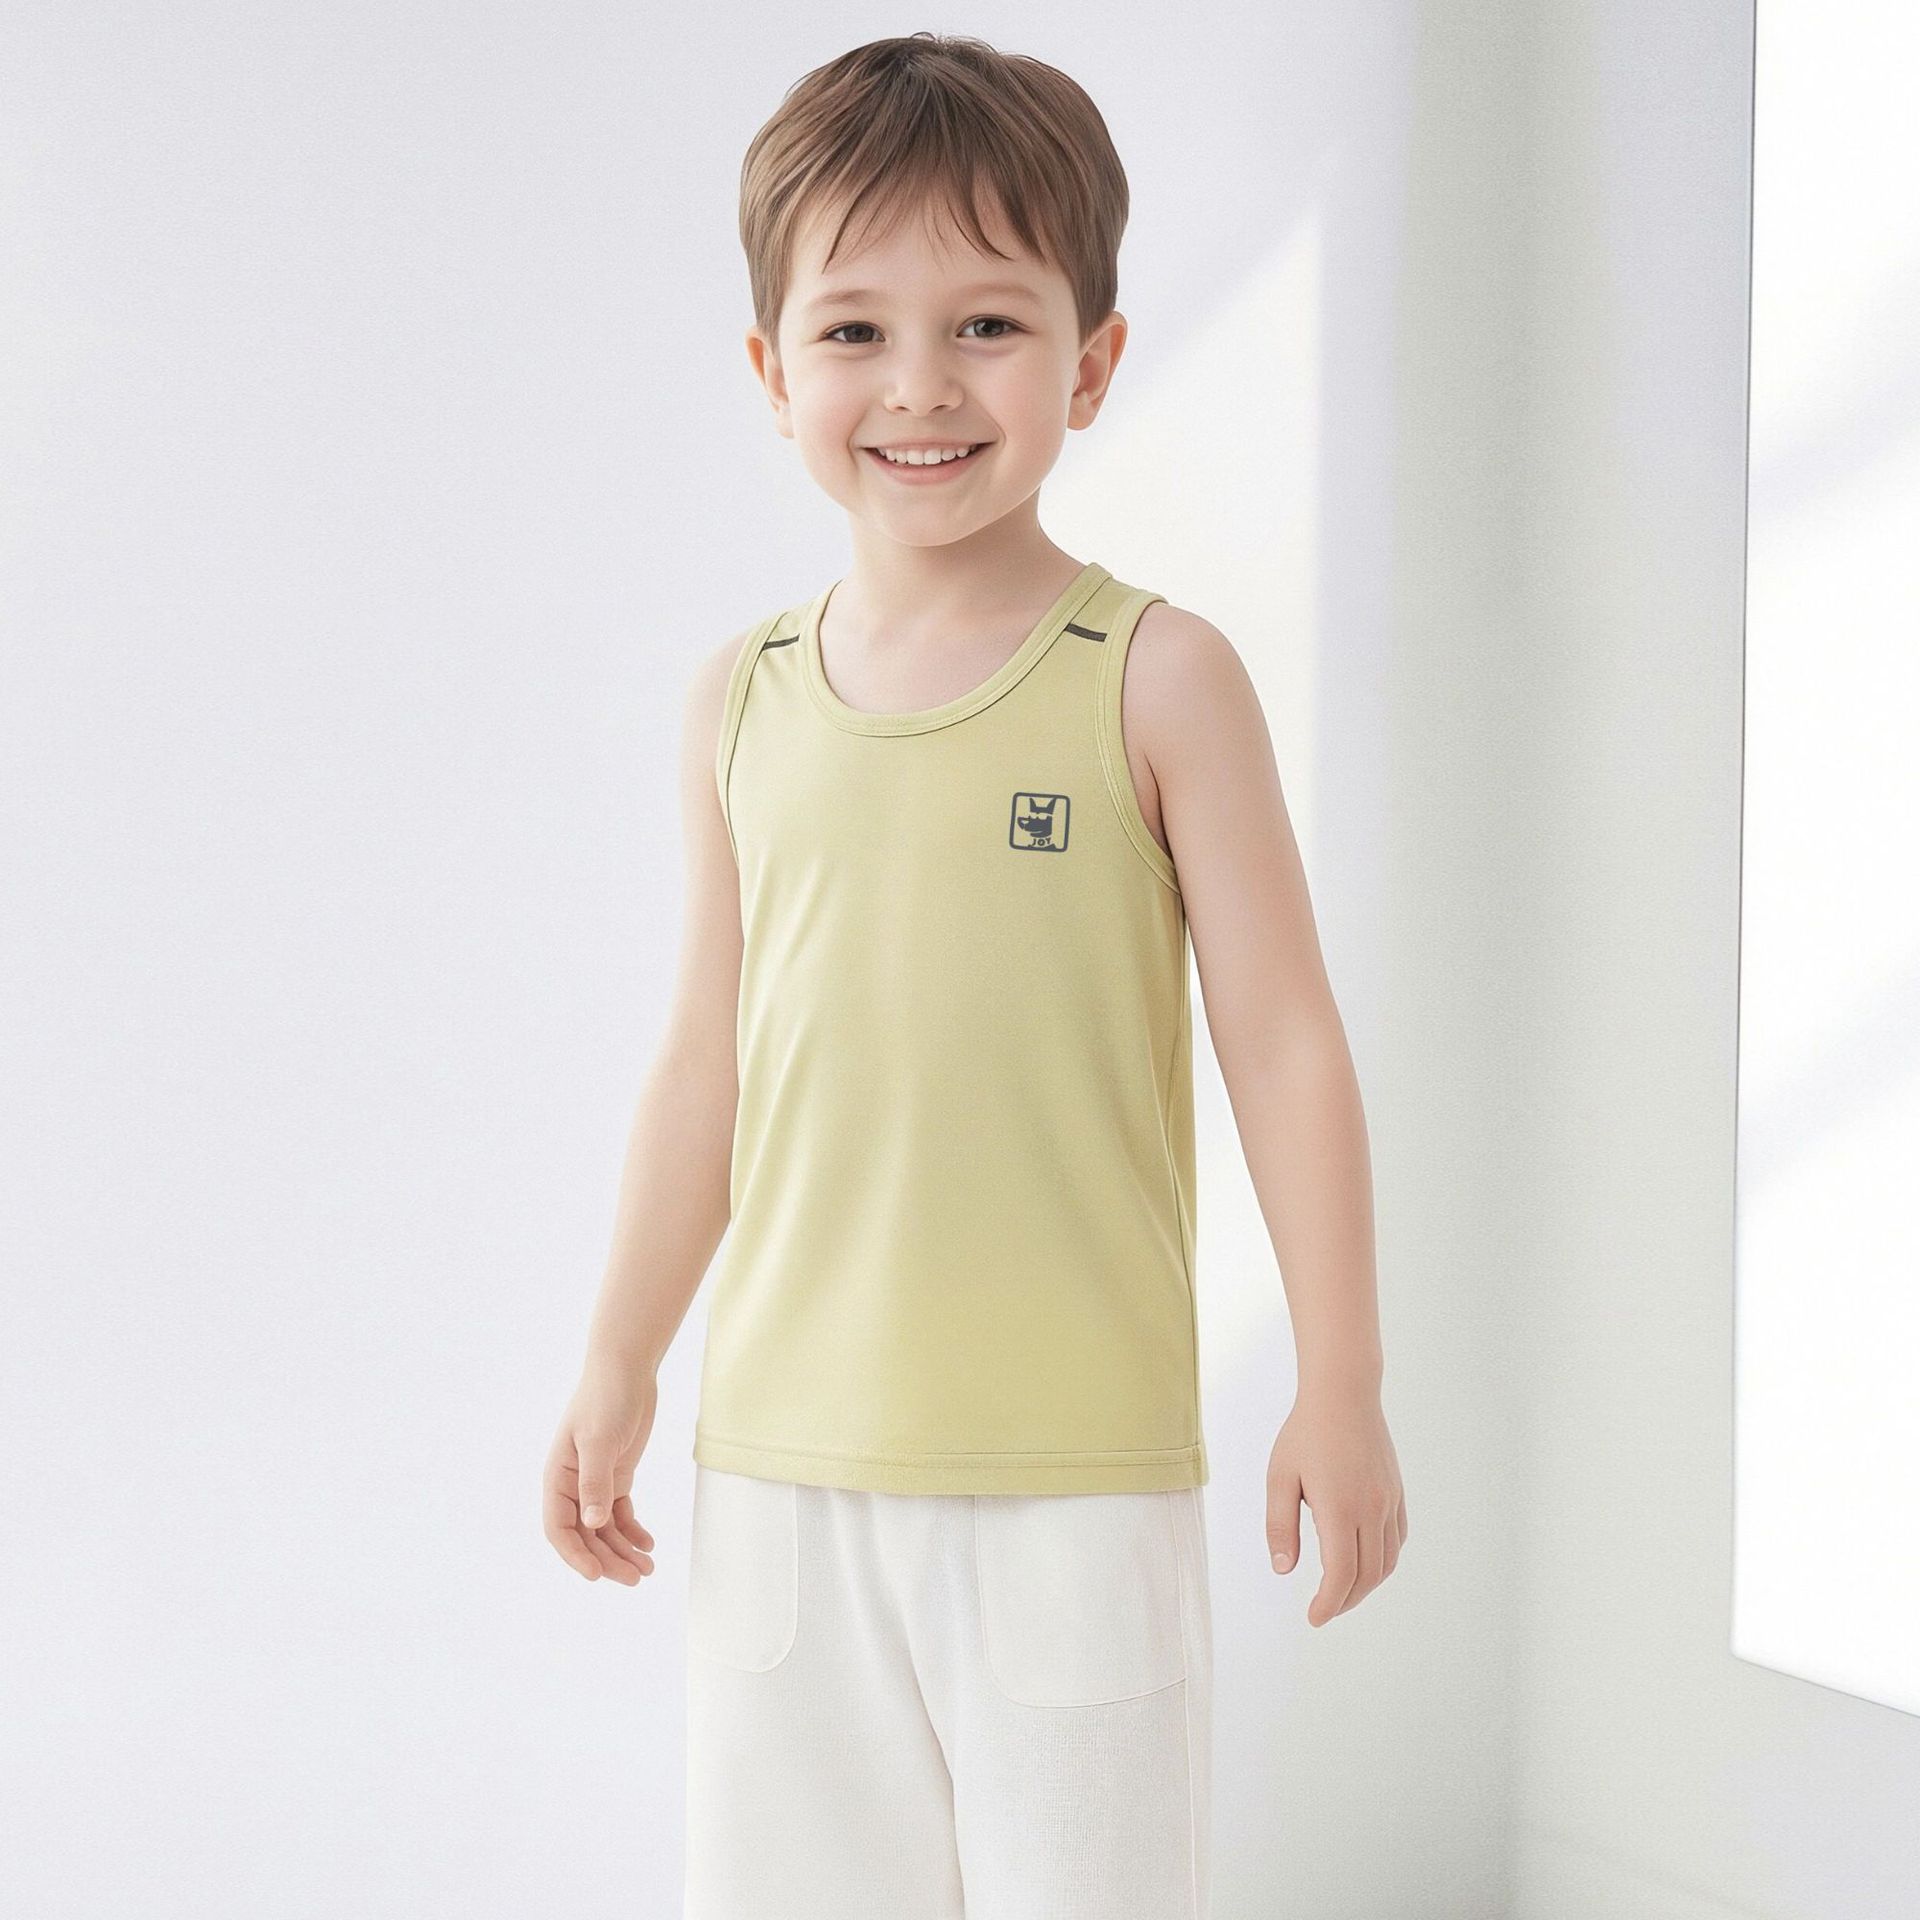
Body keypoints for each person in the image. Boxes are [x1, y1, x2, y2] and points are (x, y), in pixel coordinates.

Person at [542, 31, 1406, 1919]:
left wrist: (1339, 1377)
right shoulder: (739, 700)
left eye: (990, 327)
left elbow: (1284, 1043)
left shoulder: (1158, 677)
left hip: (1073, 1484)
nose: (920, 385)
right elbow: (705, 1067)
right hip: (782, 1484)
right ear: (772, 371)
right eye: (854, 331)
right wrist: (619, 1356)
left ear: (1091, 362)